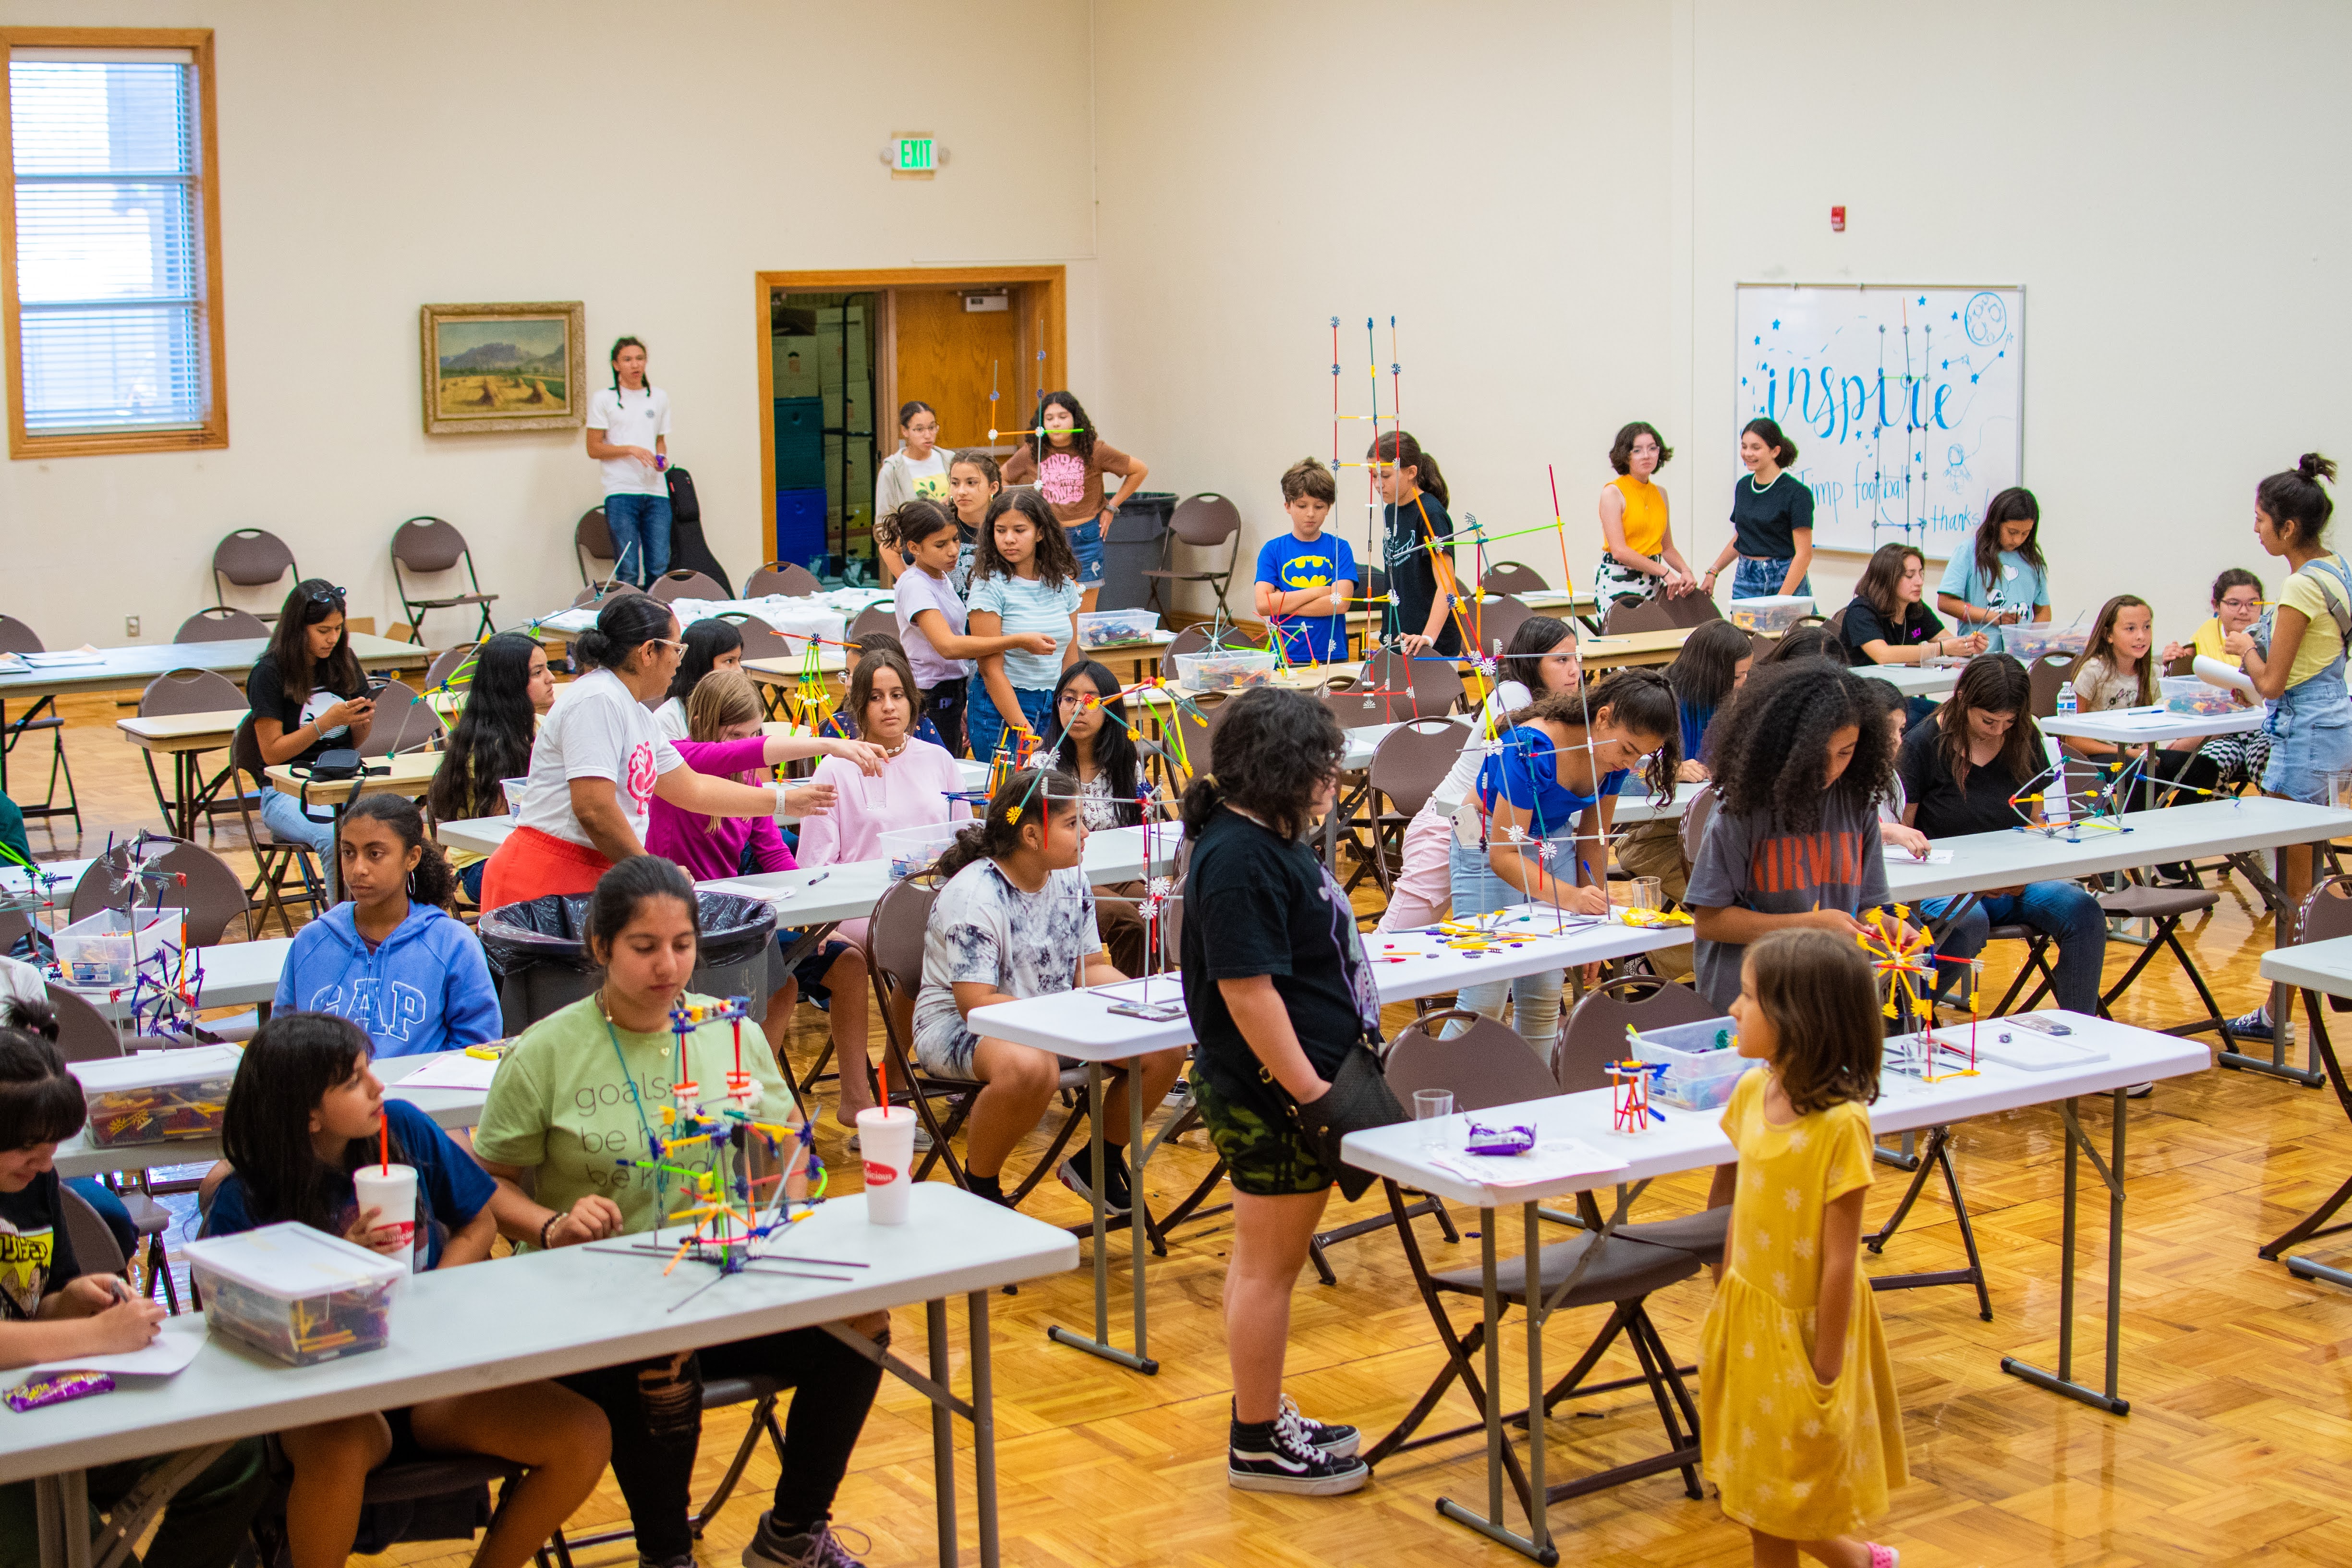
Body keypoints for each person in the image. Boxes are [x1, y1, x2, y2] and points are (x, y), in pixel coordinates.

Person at [474, 856, 886, 1568]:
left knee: (864, 1322)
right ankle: (666, 1554)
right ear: (600, 947)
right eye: (644, 947)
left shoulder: (732, 1034)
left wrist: (780, 1185)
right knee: (661, 1354)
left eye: (682, 945)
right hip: (596, 1303)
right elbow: (486, 1183)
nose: (667, 966)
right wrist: (550, 1224)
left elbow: (788, 1161)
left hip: (716, 1282)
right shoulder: (545, 1052)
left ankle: (794, 1530)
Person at [208, 1014, 608, 1568]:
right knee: (339, 1448)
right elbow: (231, 1321)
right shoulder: (246, 1198)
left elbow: (479, 1221)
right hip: (327, 1394)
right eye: (354, 1080)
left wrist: (429, 1295)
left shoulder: (400, 1129)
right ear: (307, 1114)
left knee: (583, 1433)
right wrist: (339, 1267)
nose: (378, 1086)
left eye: (369, 1069)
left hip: (428, 1378)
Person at [1176, 686, 1370, 1496]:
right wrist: (1312, 1094)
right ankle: (1256, 1442)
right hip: (1271, 1094)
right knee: (1267, 1271)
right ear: (1280, 768)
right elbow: (1247, 992)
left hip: (1285, 1088)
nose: (1333, 779)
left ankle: (1259, 1414)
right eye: (1321, 764)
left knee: (1263, 1265)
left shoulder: (1260, 838)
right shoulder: (1236, 858)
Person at [0, 1027, 273, 1568]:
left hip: (35, 1401)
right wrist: (94, 1334)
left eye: (52, 1148)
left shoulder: (32, 1179)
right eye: (27, 1149)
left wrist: (77, 1299)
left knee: (233, 1454)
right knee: (68, 1544)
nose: (44, 1165)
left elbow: (41, 1302)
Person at [1699, 928, 1907, 1567]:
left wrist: (1825, 1368)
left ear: (1797, 1018)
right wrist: (1722, 1284)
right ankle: (1862, 1562)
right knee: (1752, 1495)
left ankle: (1860, 1560)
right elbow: (1733, 1197)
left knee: (1781, 1497)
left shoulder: (1841, 1125)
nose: (1733, 1008)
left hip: (1809, 1332)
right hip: (1748, 1320)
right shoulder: (1748, 1093)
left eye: (1747, 997)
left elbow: (1842, 1257)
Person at [911, 770, 1184, 1213]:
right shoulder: (976, 895)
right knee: (1032, 1067)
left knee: (1163, 1045)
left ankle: (1098, 1162)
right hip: (962, 1028)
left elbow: (1089, 969)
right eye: (1073, 823)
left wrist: (1146, 1000)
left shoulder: (1070, 878)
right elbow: (975, 1003)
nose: (1086, 832)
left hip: (1051, 1018)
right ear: (1032, 834)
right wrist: (1061, 1019)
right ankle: (981, 1191)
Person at [477, 595, 814, 909]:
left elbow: (693, 788)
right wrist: (652, 870)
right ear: (649, 651)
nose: (680, 662)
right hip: (547, 876)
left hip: (593, 872)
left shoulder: (635, 712)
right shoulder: (598, 699)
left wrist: (782, 801)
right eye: (677, 649)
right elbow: (593, 808)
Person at [645, 666, 885, 1082]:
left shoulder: (749, 783)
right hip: (687, 923)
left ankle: (847, 1097)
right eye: (735, 734)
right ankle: (749, 1090)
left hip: (736, 922)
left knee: (844, 961)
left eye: (754, 734)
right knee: (778, 986)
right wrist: (828, 746)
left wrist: (815, 915)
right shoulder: (678, 760)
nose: (747, 746)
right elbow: (737, 759)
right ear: (702, 723)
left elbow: (775, 854)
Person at [1451, 672, 1679, 1047]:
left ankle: (1535, 1085)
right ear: (1603, 717)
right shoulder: (1530, 747)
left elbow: (1593, 842)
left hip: (1551, 837)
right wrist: (1572, 898)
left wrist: (1593, 924)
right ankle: (1427, 1082)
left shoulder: (1610, 759)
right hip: (1487, 837)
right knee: (1483, 1000)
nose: (1629, 764)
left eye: (1639, 755)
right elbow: (1503, 855)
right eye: (1627, 750)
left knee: (1544, 997)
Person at [796, 646, 970, 1127]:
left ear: (913, 700)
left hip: (934, 899)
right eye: (875, 697)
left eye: (897, 695)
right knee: (927, 946)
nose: (889, 706)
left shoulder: (938, 760)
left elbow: (964, 841)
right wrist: (824, 921)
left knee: (968, 937)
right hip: (861, 908)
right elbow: (814, 863)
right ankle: (891, 1079)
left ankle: (932, 1068)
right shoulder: (835, 768)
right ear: (859, 706)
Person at [1897, 655, 2109, 1018]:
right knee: (1967, 923)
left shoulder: (2022, 737)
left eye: (2008, 721)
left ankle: (2081, 1024)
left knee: (2084, 911)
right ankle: (1902, 1018)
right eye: (1988, 721)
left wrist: (2022, 870)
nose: (1998, 731)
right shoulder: (1922, 744)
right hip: (1945, 880)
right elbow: (1905, 833)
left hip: (2012, 880)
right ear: (1962, 698)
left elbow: (2036, 820)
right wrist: (1978, 879)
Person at [1685, 660, 1897, 1012]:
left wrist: (1885, 926)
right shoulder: (1742, 808)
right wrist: (1811, 926)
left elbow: (1868, 906)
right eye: (1817, 754)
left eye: (1846, 752)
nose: (1831, 769)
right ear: (1788, 746)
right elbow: (1709, 921)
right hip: (1751, 1001)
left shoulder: (1857, 801)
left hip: (1827, 996)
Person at [2223, 455, 2349, 1042]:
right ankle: (2284, 1011)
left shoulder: (2300, 584)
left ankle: (2281, 1017)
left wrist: (2243, 648)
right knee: (2308, 877)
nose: (2255, 529)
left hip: (2304, 735)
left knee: (2292, 887)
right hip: (2332, 724)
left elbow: (2270, 682)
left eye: (2260, 519)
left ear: (2288, 527)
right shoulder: (2336, 569)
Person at [1378, 615, 1581, 931]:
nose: (1575, 670)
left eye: (1576, 658)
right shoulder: (1515, 694)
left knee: (1505, 930)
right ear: (1532, 662)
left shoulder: (1549, 705)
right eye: (1561, 660)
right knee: (1397, 936)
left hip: (1484, 823)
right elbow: (1514, 771)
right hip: (1452, 822)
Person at [274, 794, 501, 1058]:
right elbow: (282, 1043)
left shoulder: (452, 944)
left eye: (375, 854)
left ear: (412, 857)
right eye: (349, 853)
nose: (358, 869)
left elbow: (477, 1047)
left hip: (423, 1086)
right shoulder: (312, 941)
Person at [1615, 620, 1754, 973]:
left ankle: (1653, 961)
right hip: (1654, 836)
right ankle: (1652, 961)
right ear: (1714, 673)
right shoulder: (1659, 702)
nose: (1744, 684)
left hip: (1713, 833)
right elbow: (1614, 771)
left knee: (1751, 907)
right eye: (1738, 676)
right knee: (1731, 911)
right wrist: (1665, 770)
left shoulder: (1729, 705)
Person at [894, 497, 1054, 757]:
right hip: (929, 696)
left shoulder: (939, 577)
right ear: (914, 547)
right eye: (941, 544)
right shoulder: (915, 584)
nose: (953, 551)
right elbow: (948, 646)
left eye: (955, 540)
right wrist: (1018, 641)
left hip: (952, 691)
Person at [1043, 660, 1165, 975]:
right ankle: (1133, 999)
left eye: (1090, 700)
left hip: (1119, 874)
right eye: (1068, 698)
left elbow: (1146, 828)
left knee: (1160, 908)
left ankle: (1166, 993)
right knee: (1129, 920)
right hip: (1066, 877)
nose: (1077, 708)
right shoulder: (1044, 767)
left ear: (1111, 708)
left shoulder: (1125, 765)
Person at [248, 579, 375, 865]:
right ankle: (343, 899)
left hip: (341, 778)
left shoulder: (343, 659)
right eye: (323, 631)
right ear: (298, 629)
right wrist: (323, 724)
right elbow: (272, 754)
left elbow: (352, 742)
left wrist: (363, 718)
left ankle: (392, 897)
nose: (333, 639)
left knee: (398, 826)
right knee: (335, 837)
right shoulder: (268, 673)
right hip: (285, 789)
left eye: (338, 629)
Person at [425, 632, 558, 903]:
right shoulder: (487, 746)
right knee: (561, 881)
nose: (551, 678)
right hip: (484, 862)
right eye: (538, 672)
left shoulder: (542, 726)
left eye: (547, 668)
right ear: (509, 685)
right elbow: (504, 829)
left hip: (532, 851)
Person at [999, 390, 1146, 615]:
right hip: (1046, 537)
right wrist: (1019, 513)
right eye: (1049, 419)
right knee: (1046, 601)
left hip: (1087, 535)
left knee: (1084, 611)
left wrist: (1112, 506)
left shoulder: (1095, 450)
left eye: (1063, 417)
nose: (1056, 423)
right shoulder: (1032, 452)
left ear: (1075, 419)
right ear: (1041, 424)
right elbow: (1002, 478)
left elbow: (1139, 470)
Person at [965, 488, 1083, 766]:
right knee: (1009, 790)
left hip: (1055, 702)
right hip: (1002, 708)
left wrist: (1070, 705)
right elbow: (990, 669)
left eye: (1019, 530)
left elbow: (1071, 658)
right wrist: (1022, 727)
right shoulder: (988, 584)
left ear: (1040, 533)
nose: (1009, 539)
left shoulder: (1063, 585)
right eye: (1000, 530)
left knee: (1051, 789)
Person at [585, 335, 670, 587]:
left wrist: (662, 458)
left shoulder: (659, 398)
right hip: (621, 491)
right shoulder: (604, 399)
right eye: (628, 360)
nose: (635, 365)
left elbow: (660, 441)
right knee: (629, 569)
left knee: (659, 567)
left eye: (640, 359)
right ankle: (630, 613)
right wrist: (631, 450)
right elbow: (593, 448)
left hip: (656, 492)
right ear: (616, 365)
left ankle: (656, 613)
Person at [1369, 429, 1462, 656]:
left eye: (1386, 476)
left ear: (1412, 472)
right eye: (1374, 476)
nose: (1379, 484)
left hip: (1430, 643)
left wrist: (1428, 637)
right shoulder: (1391, 510)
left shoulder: (1430, 514)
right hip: (1398, 637)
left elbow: (1447, 584)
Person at [1254, 457, 1356, 665]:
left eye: (1319, 506)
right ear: (1288, 506)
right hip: (1284, 656)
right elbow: (1264, 605)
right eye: (1302, 506)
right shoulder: (1272, 550)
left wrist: (1282, 603)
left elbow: (1341, 603)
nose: (1310, 514)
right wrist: (1321, 591)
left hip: (1331, 655)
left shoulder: (1340, 548)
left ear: (1329, 508)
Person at [1701, 417, 1814, 602]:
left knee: (1787, 623)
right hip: (1747, 576)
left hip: (1784, 576)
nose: (1748, 453)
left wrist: (1781, 600)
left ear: (1775, 451)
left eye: (1756, 448)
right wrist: (1714, 571)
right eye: (1744, 447)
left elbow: (1804, 554)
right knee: (1741, 623)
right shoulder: (1743, 487)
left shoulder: (1797, 493)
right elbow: (1743, 536)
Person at [2183, 569, 2272, 789]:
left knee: (2262, 762)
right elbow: (2188, 663)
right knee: (2207, 767)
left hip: (2266, 728)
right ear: (2216, 605)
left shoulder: (2272, 635)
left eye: (2253, 604)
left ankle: (2275, 810)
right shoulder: (2206, 632)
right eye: (2234, 604)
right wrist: (2175, 655)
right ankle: (2226, 808)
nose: (2244, 611)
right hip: (2225, 732)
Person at [1936, 486, 2052, 652]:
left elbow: (2043, 611)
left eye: (2025, 533)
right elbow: (1946, 603)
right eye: (2012, 532)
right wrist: (1994, 617)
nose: (2018, 540)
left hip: (2018, 656)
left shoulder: (2033, 561)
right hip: (1979, 655)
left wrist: (2031, 638)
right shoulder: (1969, 551)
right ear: (1996, 523)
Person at [1594, 421, 1697, 605]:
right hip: (1618, 582)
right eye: (1637, 450)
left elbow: (1667, 548)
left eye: (1652, 448)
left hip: (1654, 582)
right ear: (1625, 455)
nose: (1646, 456)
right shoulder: (1613, 492)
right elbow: (1619, 551)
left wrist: (1685, 571)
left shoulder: (1661, 494)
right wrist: (1665, 572)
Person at [1840, 542, 1984, 668]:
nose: (1920, 582)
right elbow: (1883, 655)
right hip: (1867, 689)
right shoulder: (1861, 610)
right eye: (1910, 575)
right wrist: (1941, 649)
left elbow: (1949, 643)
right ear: (1888, 578)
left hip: (1905, 687)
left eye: (1921, 574)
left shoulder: (1916, 608)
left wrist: (1970, 646)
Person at [872, 400, 951, 586]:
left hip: (951, 554)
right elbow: (883, 527)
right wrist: (904, 575)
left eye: (932, 428)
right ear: (905, 431)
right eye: (919, 429)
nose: (928, 435)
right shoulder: (892, 470)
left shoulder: (950, 460)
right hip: (914, 561)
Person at [652, 617, 745, 741]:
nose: (740, 671)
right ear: (702, 665)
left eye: (739, 660)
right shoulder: (668, 718)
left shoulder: (743, 708)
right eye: (729, 661)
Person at [943, 448, 1002, 593]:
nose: (961, 492)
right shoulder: (940, 525)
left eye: (971, 483)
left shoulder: (1005, 528)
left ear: (993, 488)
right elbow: (892, 548)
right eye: (955, 483)